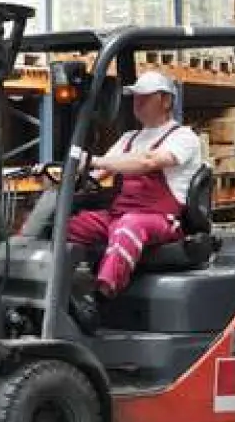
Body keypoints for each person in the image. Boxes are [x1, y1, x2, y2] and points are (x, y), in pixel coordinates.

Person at [67, 71, 203, 329]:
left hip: (162, 220)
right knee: (67, 224)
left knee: (128, 226)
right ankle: (56, 289)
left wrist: (95, 160)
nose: (137, 103)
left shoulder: (183, 137)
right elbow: (99, 172)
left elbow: (147, 162)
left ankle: (99, 299)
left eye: (145, 97)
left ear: (165, 101)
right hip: (119, 215)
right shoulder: (129, 138)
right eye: (135, 98)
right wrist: (71, 175)